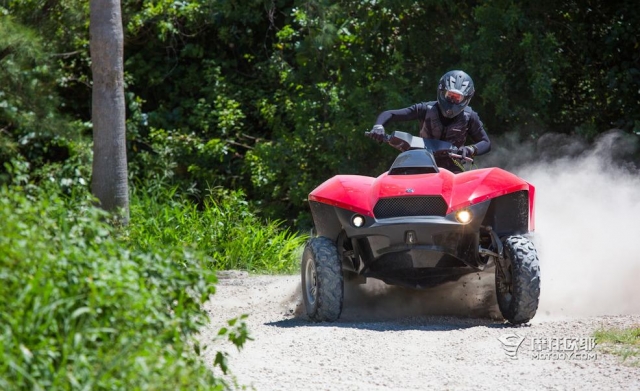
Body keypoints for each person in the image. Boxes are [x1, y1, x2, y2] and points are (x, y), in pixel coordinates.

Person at [370, 70, 491, 172]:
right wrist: (378, 127)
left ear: (466, 99)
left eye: (457, 98)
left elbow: (486, 142)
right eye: (450, 95)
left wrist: (470, 149)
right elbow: (390, 114)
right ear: (442, 92)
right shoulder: (425, 109)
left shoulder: (469, 116)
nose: (452, 101)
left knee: (466, 194)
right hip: (421, 162)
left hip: (453, 169)